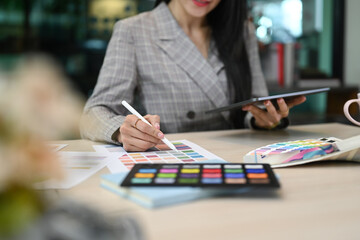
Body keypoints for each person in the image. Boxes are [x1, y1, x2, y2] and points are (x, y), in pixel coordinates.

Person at [80, 0, 306, 151]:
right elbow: (94, 112)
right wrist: (122, 131)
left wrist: (263, 120)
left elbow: (255, 103)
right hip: (170, 158)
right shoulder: (133, 30)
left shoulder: (241, 31)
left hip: (236, 156)